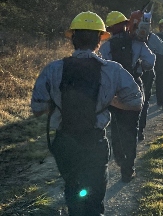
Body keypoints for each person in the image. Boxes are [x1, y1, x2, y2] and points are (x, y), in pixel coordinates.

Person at [31, 11, 143, 216]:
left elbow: (37, 109)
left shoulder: (53, 69)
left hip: (65, 143)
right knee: (94, 198)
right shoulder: (113, 70)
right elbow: (136, 102)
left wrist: (59, 104)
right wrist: (111, 101)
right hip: (94, 143)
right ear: (100, 40)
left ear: (72, 38)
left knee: (73, 190)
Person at [99, 11, 155, 182]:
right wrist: (141, 67)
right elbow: (150, 61)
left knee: (115, 127)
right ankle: (128, 169)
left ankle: (119, 157)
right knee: (131, 129)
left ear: (109, 28)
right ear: (125, 24)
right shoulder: (138, 43)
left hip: (113, 91)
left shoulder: (105, 47)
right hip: (133, 88)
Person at [138, 31, 163, 140]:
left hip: (126, 72)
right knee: (144, 101)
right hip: (147, 73)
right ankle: (140, 130)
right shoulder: (151, 36)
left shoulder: (125, 35)